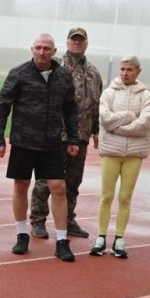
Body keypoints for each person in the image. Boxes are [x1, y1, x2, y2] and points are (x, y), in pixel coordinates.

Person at [0, 34, 80, 261]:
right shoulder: (18, 73)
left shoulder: (63, 76)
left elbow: (71, 109)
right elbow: (2, 106)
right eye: (38, 48)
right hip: (23, 141)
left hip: (52, 142)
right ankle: (22, 235)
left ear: (54, 51)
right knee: (21, 185)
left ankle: (62, 241)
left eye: (46, 49)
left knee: (58, 187)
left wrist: (73, 139)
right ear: (32, 49)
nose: (42, 52)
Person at [29, 27, 102, 240]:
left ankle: (68, 219)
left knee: (73, 181)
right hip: (56, 134)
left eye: (81, 40)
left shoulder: (94, 72)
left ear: (86, 43)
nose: (77, 43)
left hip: (81, 135)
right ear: (67, 42)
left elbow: (96, 104)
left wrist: (95, 130)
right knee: (46, 180)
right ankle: (38, 220)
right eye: (74, 40)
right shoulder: (56, 66)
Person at [90, 56, 150, 259]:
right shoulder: (108, 93)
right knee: (106, 196)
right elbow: (105, 119)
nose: (125, 73)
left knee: (125, 197)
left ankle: (119, 238)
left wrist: (117, 128)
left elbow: (144, 124)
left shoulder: (147, 96)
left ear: (138, 71)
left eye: (130, 69)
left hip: (134, 154)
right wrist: (129, 116)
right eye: (122, 69)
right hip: (111, 151)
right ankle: (100, 237)